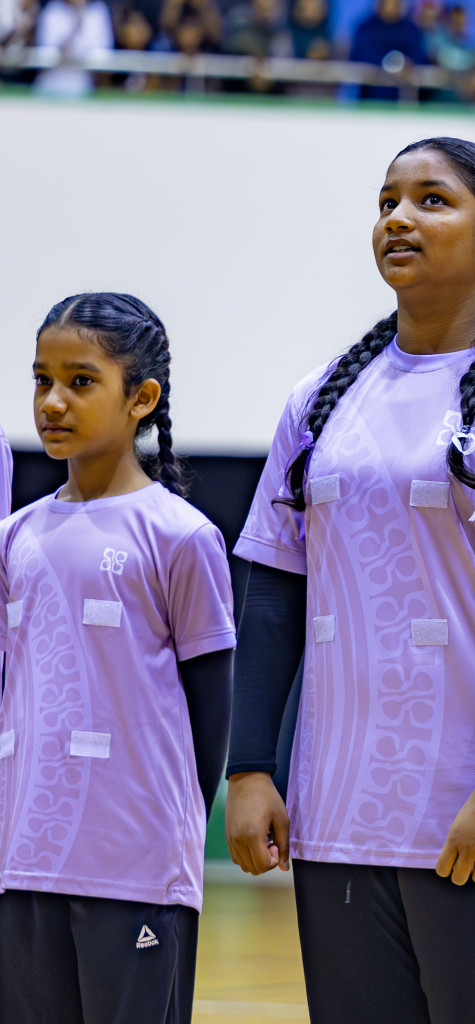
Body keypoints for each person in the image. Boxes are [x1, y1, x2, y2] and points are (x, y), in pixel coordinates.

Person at [223, 137, 475, 1024]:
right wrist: (250, 767)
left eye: (432, 201)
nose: (397, 217)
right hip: (337, 812)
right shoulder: (319, 400)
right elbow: (274, 596)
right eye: (387, 199)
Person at [0, 293, 236, 1024]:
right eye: (42, 380)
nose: (53, 402)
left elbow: (210, 717)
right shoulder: (16, 537)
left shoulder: (181, 537)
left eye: (80, 381)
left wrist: (172, 839)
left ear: (142, 398)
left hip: (136, 871)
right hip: (23, 859)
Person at [33, 0, 114, 97]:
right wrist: (74, 29)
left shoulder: (98, 10)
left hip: (83, 86)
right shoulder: (53, 9)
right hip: (51, 83)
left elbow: (103, 53)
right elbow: (47, 51)